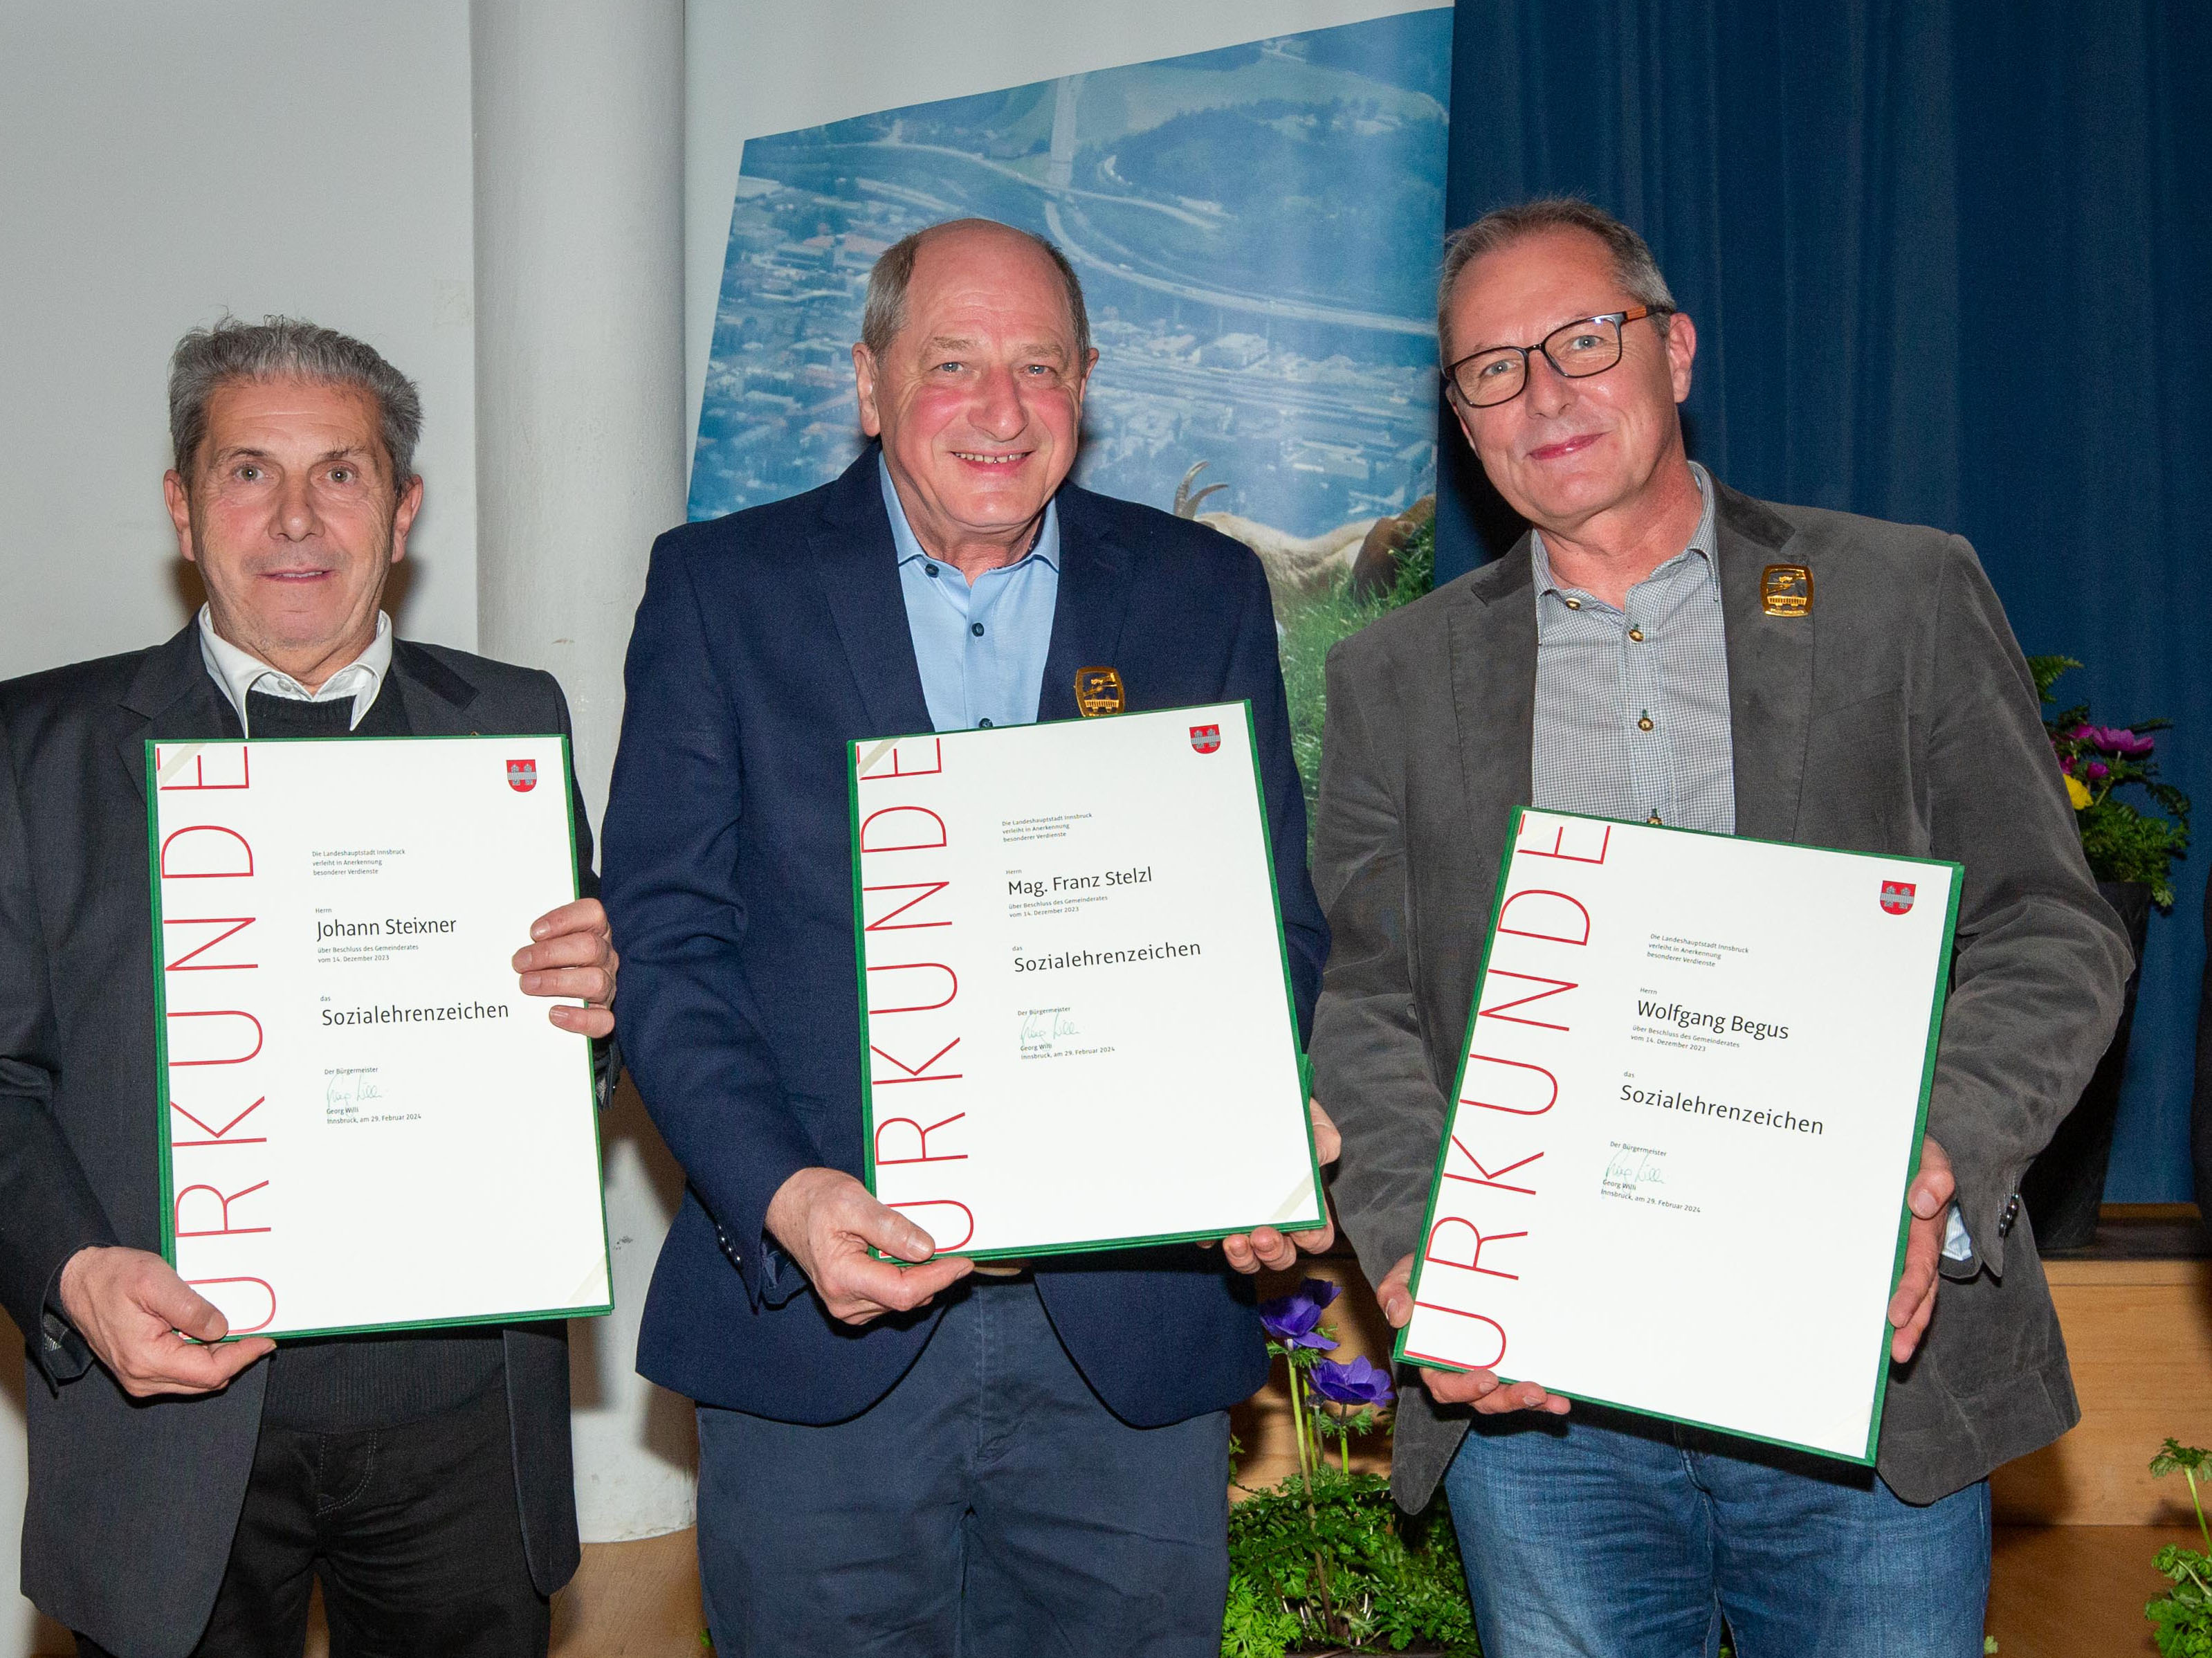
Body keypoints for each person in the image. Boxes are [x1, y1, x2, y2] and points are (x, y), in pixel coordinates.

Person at [1310, 198, 2133, 1655]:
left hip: (1866, 1394)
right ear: (1461, 418)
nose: (1543, 393)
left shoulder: (1901, 595)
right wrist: (1419, 1246)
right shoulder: (1397, 678)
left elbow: (2050, 929)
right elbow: (1372, 1005)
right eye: (1491, 369)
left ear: (1674, 350)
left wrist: (1936, 1156)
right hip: (1546, 1423)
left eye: (1581, 339)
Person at [601, 217, 1333, 1655]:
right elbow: (668, 946)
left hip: (1129, 1329)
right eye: (953, 365)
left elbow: (1273, 921)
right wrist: (786, 1198)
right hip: (820, 1328)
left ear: (1088, 385)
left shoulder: (1201, 592)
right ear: (870, 384)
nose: (1002, 411)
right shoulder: (721, 589)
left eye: (1040, 368)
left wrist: (1244, 1125)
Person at [0, 318, 619, 1658]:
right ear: (182, 503)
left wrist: (592, 1008)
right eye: (246, 471)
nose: (294, 516)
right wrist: (70, 1271)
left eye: (339, 472)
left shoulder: (511, 722)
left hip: (460, 1418)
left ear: (401, 508)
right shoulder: (33, 747)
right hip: (166, 1410)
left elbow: (567, 1057)